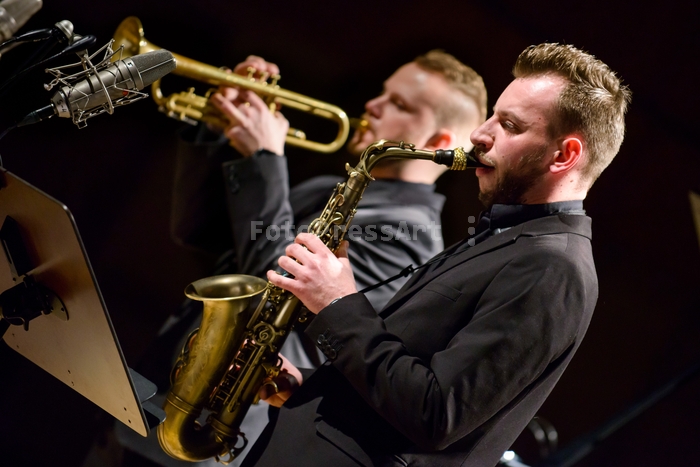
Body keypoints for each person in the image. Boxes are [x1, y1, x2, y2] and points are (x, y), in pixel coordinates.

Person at [241, 43, 631, 467]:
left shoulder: (555, 267)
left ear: (565, 155)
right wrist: (309, 385)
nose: (481, 134)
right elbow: (407, 373)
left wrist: (336, 304)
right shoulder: (509, 236)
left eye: (510, 125)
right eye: (492, 116)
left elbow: (436, 415)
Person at [110, 50, 487, 467]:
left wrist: (264, 158)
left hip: (209, 425)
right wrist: (220, 126)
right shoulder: (332, 186)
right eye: (382, 93)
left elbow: (276, 297)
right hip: (155, 399)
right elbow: (198, 230)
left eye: (398, 104)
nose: (372, 106)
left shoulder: (409, 238)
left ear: (437, 144)